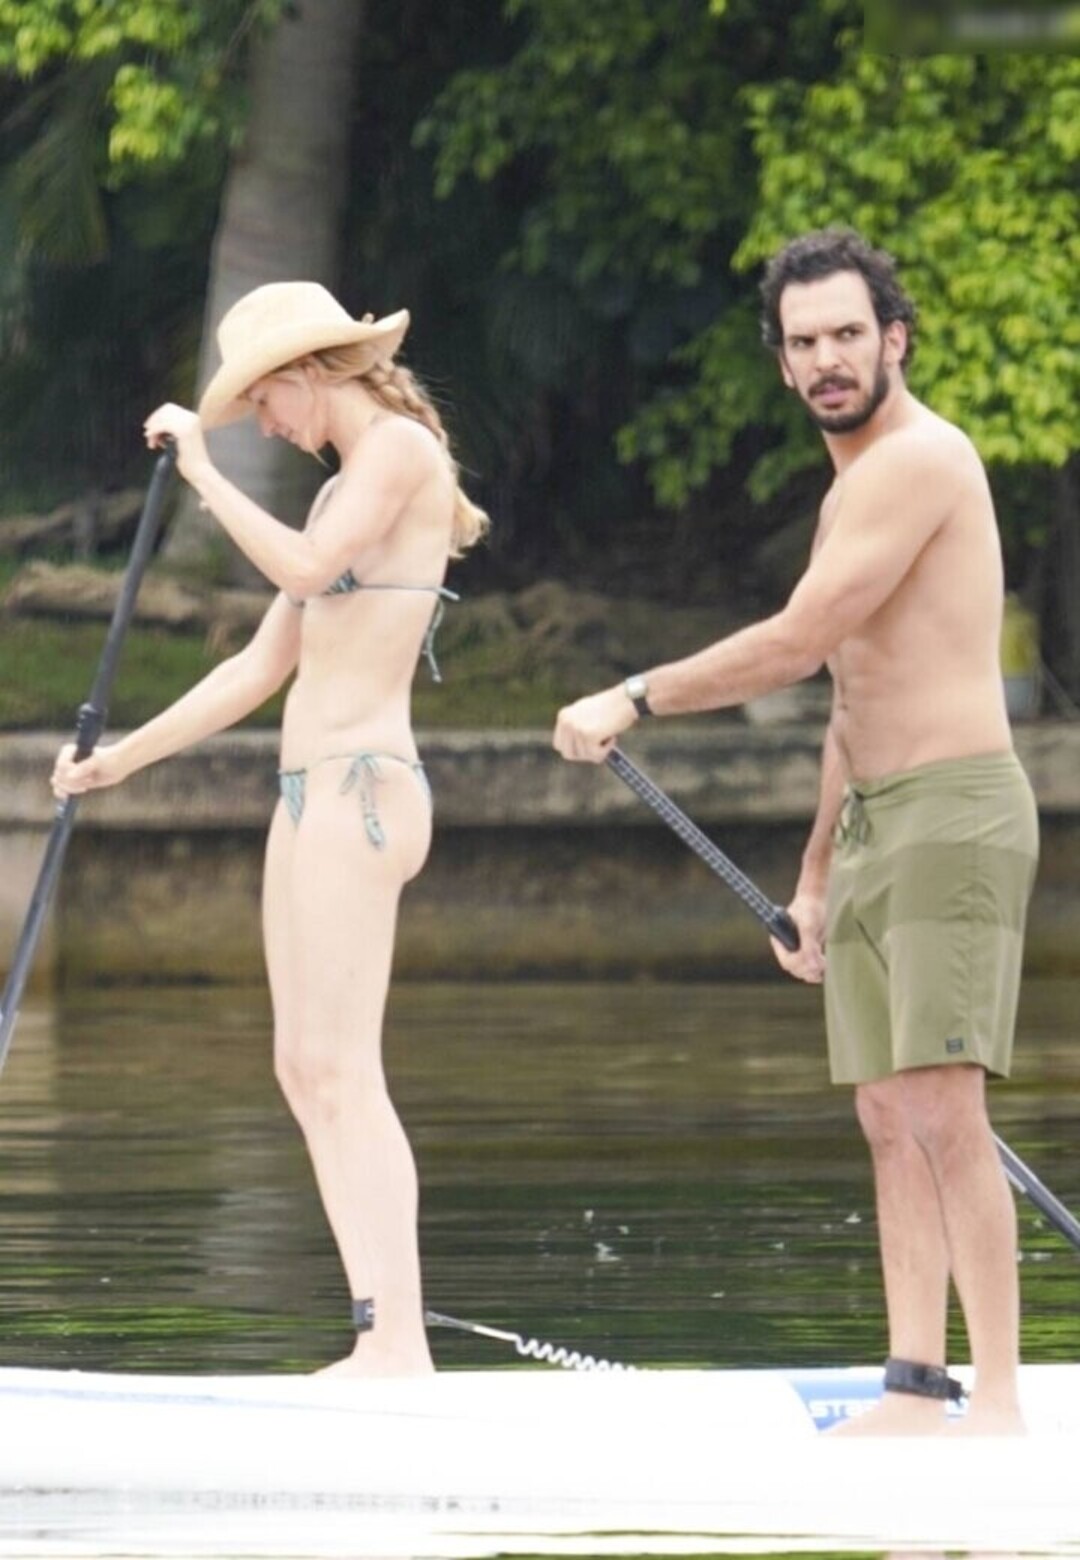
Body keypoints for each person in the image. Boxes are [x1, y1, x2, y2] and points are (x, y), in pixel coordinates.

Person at [553, 229, 1039, 1435]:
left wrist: (635, 695)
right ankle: (915, 1388)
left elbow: (795, 640)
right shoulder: (847, 492)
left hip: (956, 814)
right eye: (805, 341)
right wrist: (815, 876)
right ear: (782, 362)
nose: (828, 358)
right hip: (877, 824)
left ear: (894, 339)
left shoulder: (921, 461)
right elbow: (846, 696)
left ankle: (1000, 1406)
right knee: (885, 1116)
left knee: (944, 1110)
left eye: (848, 335)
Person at [52, 281, 488, 1376]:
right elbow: (257, 668)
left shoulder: (396, 453)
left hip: (362, 789)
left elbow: (302, 567)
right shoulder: (346, 486)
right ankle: (374, 1330)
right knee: (303, 1067)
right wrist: (118, 762)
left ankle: (399, 1346)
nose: (266, 425)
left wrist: (204, 469)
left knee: (346, 1068)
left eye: (264, 404)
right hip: (307, 795)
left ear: (307, 372)